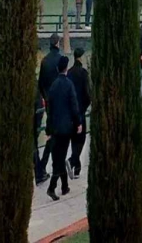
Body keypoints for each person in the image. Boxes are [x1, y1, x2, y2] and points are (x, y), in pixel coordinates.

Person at [44, 54, 83, 201]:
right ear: (66, 68)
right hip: (66, 128)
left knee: (58, 156)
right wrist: (78, 122)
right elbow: (74, 106)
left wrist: (48, 129)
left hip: (55, 128)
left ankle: (64, 185)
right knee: (60, 157)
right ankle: (52, 186)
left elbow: (49, 110)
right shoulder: (68, 85)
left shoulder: (53, 87)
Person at [35, 35, 64, 184]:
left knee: (52, 132)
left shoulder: (45, 61)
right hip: (58, 102)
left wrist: (45, 99)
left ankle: (44, 166)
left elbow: (41, 84)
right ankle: (44, 166)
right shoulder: (60, 59)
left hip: (47, 101)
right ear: (58, 43)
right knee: (55, 135)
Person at [67, 47, 90, 178]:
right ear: (80, 57)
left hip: (71, 111)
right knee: (81, 139)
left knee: (74, 138)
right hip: (80, 110)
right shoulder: (83, 73)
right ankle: (72, 160)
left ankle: (77, 167)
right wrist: (86, 105)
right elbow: (87, 93)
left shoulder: (69, 73)